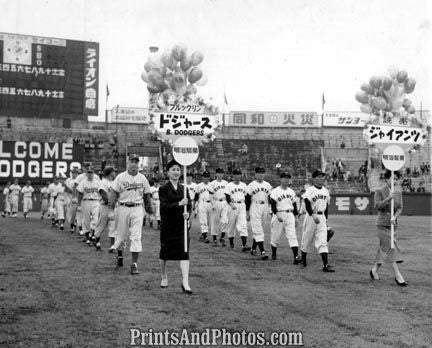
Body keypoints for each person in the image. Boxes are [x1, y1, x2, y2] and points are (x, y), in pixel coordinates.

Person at [109, 154, 152, 275]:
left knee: (136, 236)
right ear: (128, 162)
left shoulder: (142, 178)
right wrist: (111, 210)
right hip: (122, 207)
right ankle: (120, 255)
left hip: (137, 208)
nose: (134, 163)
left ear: (138, 164)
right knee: (121, 235)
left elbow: (147, 195)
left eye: (136, 161)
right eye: (132, 161)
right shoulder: (121, 177)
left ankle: (134, 264)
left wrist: (150, 211)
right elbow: (113, 193)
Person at [159, 160, 192, 293]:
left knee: (184, 252)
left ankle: (185, 282)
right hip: (168, 225)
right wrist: (179, 204)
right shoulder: (163, 189)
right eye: (173, 169)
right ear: (168, 172)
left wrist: (187, 214)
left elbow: (188, 205)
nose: (176, 172)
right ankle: (164, 276)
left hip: (181, 226)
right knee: (165, 253)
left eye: (178, 169)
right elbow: (165, 206)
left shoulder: (184, 189)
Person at [370, 170, 407, 286]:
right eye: (392, 178)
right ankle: (398, 276)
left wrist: (395, 217)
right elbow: (377, 206)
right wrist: (388, 199)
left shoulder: (398, 192)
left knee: (383, 249)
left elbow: (400, 207)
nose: (394, 181)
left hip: (393, 226)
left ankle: (374, 270)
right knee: (391, 247)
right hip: (381, 225)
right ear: (386, 179)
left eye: (396, 179)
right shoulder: (379, 191)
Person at [299, 169, 335, 272]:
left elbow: (326, 206)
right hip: (311, 217)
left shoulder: (325, 190)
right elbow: (307, 203)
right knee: (307, 239)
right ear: (314, 178)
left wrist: (326, 219)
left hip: (322, 216)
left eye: (322, 176)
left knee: (323, 241)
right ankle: (303, 260)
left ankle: (325, 265)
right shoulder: (310, 190)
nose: (321, 178)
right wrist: (313, 215)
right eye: (318, 177)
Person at [269, 172, 302, 263]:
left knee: (292, 236)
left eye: (288, 178)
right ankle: (274, 254)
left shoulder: (291, 191)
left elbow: (294, 206)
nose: (286, 180)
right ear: (281, 179)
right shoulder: (275, 191)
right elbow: (273, 205)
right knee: (276, 236)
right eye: (284, 178)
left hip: (289, 215)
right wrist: (277, 214)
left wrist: (296, 218)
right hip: (279, 214)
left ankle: (296, 257)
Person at [246, 167, 272, 260]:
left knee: (260, 229)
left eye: (262, 172)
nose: (261, 174)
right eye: (259, 173)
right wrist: (247, 212)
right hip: (255, 206)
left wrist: (270, 209)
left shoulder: (267, 185)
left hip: (264, 206)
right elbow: (247, 199)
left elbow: (270, 198)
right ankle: (263, 251)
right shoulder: (251, 185)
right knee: (258, 230)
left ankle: (253, 249)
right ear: (255, 174)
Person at [224, 169, 251, 251]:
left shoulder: (244, 185)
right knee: (231, 225)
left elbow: (247, 198)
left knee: (243, 225)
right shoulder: (229, 185)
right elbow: (227, 196)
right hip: (232, 205)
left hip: (242, 205)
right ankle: (231, 243)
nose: (237, 176)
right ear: (233, 176)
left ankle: (244, 245)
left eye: (239, 174)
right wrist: (231, 204)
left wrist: (247, 210)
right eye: (236, 174)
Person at [94, 166, 116, 252]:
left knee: (113, 226)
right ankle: (97, 242)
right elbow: (103, 194)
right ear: (110, 173)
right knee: (101, 226)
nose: (114, 173)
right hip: (104, 206)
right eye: (113, 171)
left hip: (112, 207)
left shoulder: (114, 182)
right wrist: (110, 202)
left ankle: (112, 247)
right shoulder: (103, 182)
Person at [77, 167, 101, 245]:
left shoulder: (97, 182)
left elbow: (101, 192)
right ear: (86, 174)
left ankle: (93, 235)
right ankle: (87, 237)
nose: (90, 174)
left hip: (95, 201)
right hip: (86, 201)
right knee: (85, 220)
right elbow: (80, 193)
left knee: (96, 219)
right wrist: (79, 204)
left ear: (93, 173)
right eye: (89, 172)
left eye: (91, 172)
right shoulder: (83, 182)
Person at [209, 168, 229, 247]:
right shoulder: (212, 183)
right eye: (219, 173)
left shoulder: (226, 183)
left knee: (225, 220)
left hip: (224, 202)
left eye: (222, 173)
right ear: (216, 174)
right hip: (216, 202)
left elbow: (228, 194)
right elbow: (210, 195)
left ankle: (222, 237)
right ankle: (214, 239)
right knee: (215, 221)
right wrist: (213, 204)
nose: (220, 174)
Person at [194, 171, 212, 243]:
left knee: (208, 222)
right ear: (202, 177)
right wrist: (193, 206)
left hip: (210, 203)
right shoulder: (199, 186)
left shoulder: (211, 185)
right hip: (202, 203)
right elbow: (196, 196)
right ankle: (205, 237)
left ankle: (203, 234)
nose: (206, 178)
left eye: (207, 177)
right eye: (205, 177)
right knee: (203, 220)